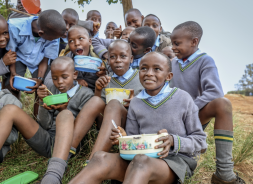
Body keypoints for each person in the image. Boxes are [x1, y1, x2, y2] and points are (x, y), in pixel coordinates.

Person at [68, 52, 207, 184]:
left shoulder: (183, 98)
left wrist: (172, 140)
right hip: (138, 162)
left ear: (169, 76)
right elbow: (134, 142)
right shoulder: (136, 102)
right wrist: (123, 139)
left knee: (141, 161)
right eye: (144, 68)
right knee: (99, 158)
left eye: (157, 69)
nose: (149, 73)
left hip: (174, 162)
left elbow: (201, 142)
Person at [0, 56, 94, 184]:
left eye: (64, 77)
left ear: (75, 75)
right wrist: (42, 102)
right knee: (9, 109)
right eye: (54, 78)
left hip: (69, 145)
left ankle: (53, 176)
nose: (60, 82)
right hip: (46, 141)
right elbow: (44, 125)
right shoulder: (51, 90)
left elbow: (84, 126)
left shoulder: (86, 94)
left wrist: (63, 110)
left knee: (66, 114)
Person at [169, 21, 245, 184]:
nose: (173, 47)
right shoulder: (172, 63)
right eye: (172, 43)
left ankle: (223, 173)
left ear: (194, 42)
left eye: (177, 43)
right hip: (170, 118)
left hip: (194, 116)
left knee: (222, 104)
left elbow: (214, 92)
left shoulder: (205, 61)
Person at [69, 40, 144, 166]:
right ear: (108, 61)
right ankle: (69, 148)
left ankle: (93, 161)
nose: (118, 60)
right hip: (106, 125)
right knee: (95, 100)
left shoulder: (141, 78)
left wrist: (136, 102)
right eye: (112, 57)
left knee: (114, 104)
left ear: (131, 59)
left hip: (130, 126)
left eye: (123, 56)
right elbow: (99, 110)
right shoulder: (106, 79)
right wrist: (98, 90)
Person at [4, 9, 66, 96]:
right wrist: (13, 73)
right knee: (12, 85)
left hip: (39, 59)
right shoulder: (14, 26)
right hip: (17, 57)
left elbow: (45, 59)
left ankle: (38, 107)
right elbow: (11, 53)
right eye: (51, 39)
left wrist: (39, 79)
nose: (54, 40)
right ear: (41, 34)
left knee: (42, 88)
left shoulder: (55, 35)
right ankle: (10, 105)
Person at [44, 25, 105, 91]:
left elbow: (111, 80)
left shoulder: (99, 58)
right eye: (71, 41)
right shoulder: (65, 60)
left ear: (89, 42)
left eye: (80, 38)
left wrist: (104, 74)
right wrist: (73, 82)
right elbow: (47, 81)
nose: (76, 43)